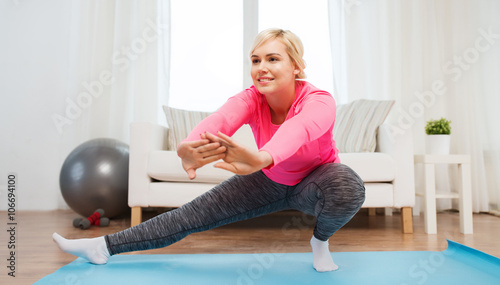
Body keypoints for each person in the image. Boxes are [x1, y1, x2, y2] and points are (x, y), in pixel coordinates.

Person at [53, 28, 365, 272]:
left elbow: (299, 130)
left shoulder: (319, 100)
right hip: (268, 179)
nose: (262, 68)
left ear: (296, 67)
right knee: (189, 216)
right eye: (255, 60)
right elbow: (221, 119)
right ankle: (102, 247)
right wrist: (187, 147)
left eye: (273, 59)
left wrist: (261, 157)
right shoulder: (251, 98)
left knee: (347, 186)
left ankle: (320, 242)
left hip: (316, 181)